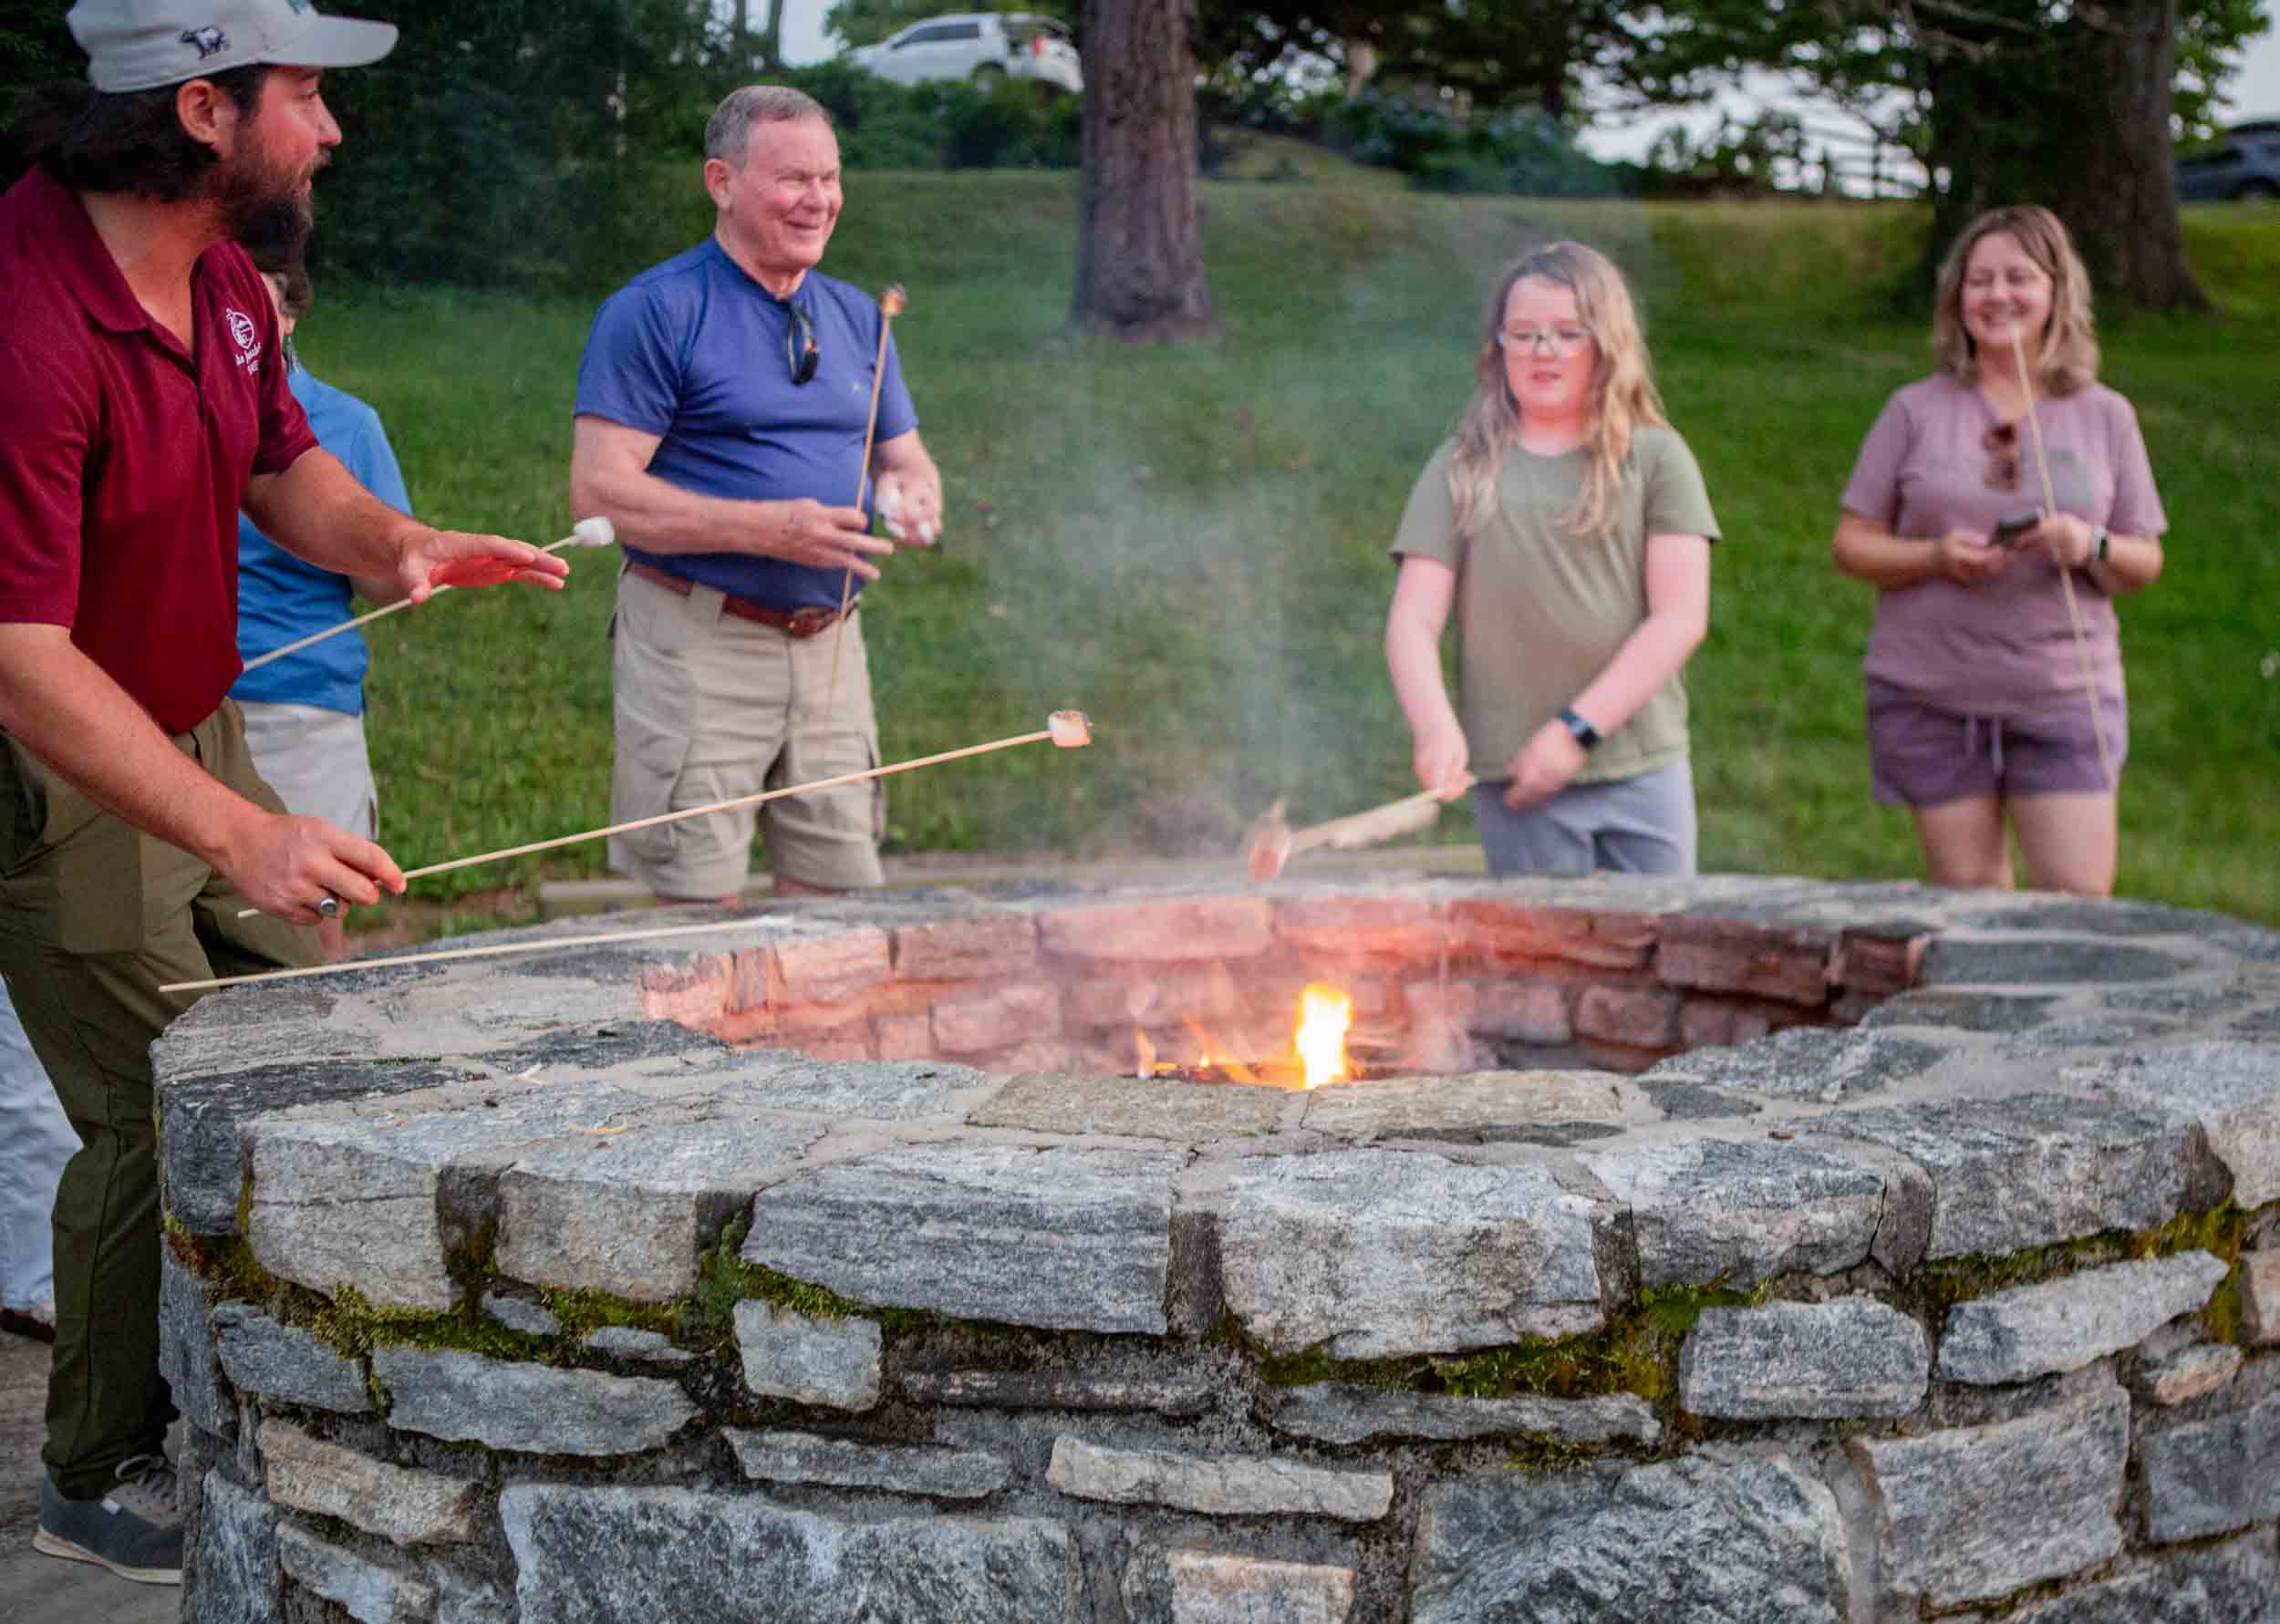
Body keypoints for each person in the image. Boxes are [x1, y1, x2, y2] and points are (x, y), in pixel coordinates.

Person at [0, 0, 567, 1585]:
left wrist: (392, 543)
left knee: (296, 1036)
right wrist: (243, 827)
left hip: (191, 722)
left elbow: (277, 464)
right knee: (147, 1101)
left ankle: (250, 1373)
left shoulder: (230, 279)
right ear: (201, 111)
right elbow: (20, 655)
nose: (328, 129)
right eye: (305, 95)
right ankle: (100, 1470)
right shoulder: (24, 319)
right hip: (53, 759)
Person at [569, 85, 943, 905]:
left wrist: (914, 494)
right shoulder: (656, 312)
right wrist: (767, 529)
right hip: (699, 644)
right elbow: (598, 493)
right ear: (722, 181)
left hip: (834, 649)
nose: (819, 200)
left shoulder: (856, 314)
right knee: (699, 919)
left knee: (839, 913)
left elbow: (904, 457)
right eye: (793, 180)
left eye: (830, 178)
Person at [1832, 204, 2165, 895]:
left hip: (2062, 696)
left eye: (2019, 277)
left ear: (2056, 293)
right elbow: (1852, 544)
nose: (1998, 295)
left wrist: (2090, 542)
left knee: (2077, 906)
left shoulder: (2106, 415)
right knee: (1974, 901)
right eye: (1979, 280)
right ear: (1957, 296)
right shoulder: (1913, 411)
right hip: (1931, 698)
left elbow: (2144, 562)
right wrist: (1935, 557)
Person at [1384, 241, 1718, 877]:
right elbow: (1413, 620)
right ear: (1498, 349)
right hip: (1516, 780)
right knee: (1544, 964)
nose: (1544, 351)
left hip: (1642, 769)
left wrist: (1575, 732)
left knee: (1661, 951)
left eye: (1568, 333)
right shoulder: (1460, 467)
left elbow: (1680, 617)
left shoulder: (1656, 459)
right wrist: (1434, 728)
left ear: (1607, 345)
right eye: (1525, 334)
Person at [233, 253, 411, 960]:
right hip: (166, 710)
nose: (235, 320)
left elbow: (392, 586)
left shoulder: (347, 425)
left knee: (307, 938)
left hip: (300, 708)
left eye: (258, 302)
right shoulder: (163, 407)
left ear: (293, 311)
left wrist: (396, 556)